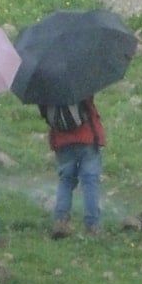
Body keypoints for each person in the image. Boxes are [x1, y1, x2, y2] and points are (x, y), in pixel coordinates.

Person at [41, 96, 106, 238]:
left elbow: (45, 114)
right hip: (86, 137)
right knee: (90, 182)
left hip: (61, 141)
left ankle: (61, 221)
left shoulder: (45, 86)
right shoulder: (79, 81)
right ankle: (92, 226)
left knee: (66, 181)